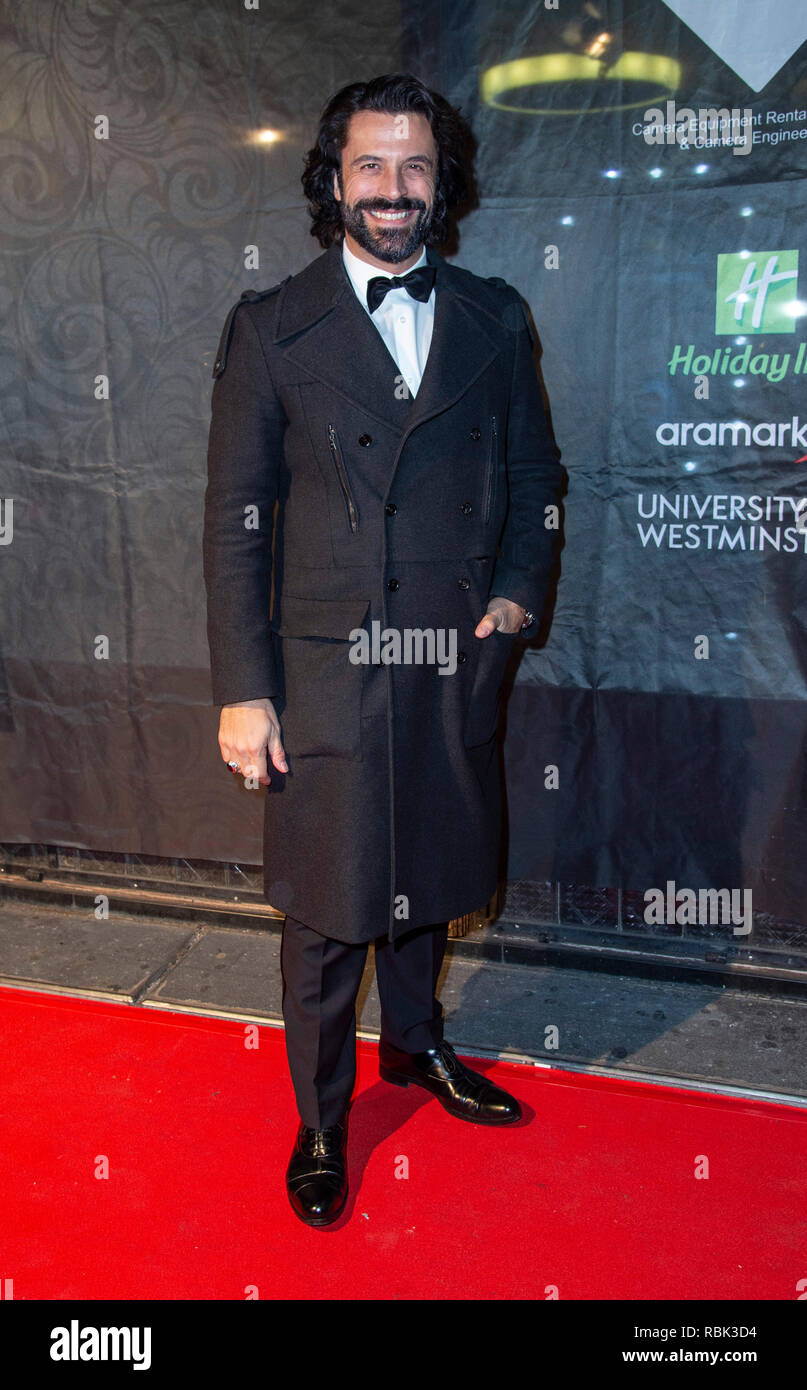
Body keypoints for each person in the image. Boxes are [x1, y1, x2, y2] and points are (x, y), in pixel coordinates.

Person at [203, 73, 563, 1227]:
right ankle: (321, 1116)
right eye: (372, 166)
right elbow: (235, 517)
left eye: (415, 168)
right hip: (323, 667)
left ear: (440, 181)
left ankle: (414, 1050)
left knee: (430, 881)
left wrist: (513, 600)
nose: (394, 191)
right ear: (335, 180)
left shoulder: (496, 318)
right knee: (326, 905)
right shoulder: (271, 327)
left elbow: (538, 482)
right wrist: (245, 691)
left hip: (450, 656)